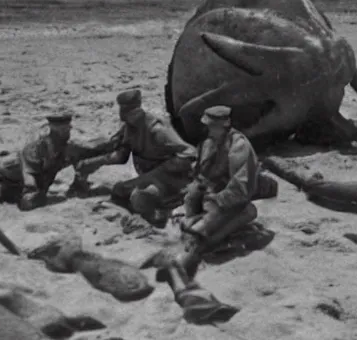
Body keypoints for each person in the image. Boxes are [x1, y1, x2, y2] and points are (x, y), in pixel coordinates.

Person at [68, 89, 197, 228]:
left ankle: (160, 218)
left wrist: (157, 174)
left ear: (137, 111)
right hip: (147, 177)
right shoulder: (130, 126)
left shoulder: (157, 129)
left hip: (171, 180)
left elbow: (189, 153)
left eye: (127, 113)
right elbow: (120, 155)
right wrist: (93, 163)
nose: (124, 117)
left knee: (140, 197)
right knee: (119, 190)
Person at [173, 106, 265, 276]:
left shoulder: (239, 146)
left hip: (230, 200)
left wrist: (215, 201)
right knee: (188, 220)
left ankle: (191, 254)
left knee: (199, 232)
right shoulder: (208, 143)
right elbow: (200, 174)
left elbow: (241, 187)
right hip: (209, 198)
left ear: (226, 124)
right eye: (208, 125)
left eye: (213, 125)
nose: (209, 129)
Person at [0, 113, 113, 212]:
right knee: (27, 202)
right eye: (63, 130)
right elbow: (29, 175)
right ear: (52, 130)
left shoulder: (68, 147)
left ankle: (9, 194)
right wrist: (34, 193)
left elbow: (92, 149)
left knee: (33, 198)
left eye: (68, 128)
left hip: (31, 179)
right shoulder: (36, 148)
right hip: (7, 174)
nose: (67, 132)